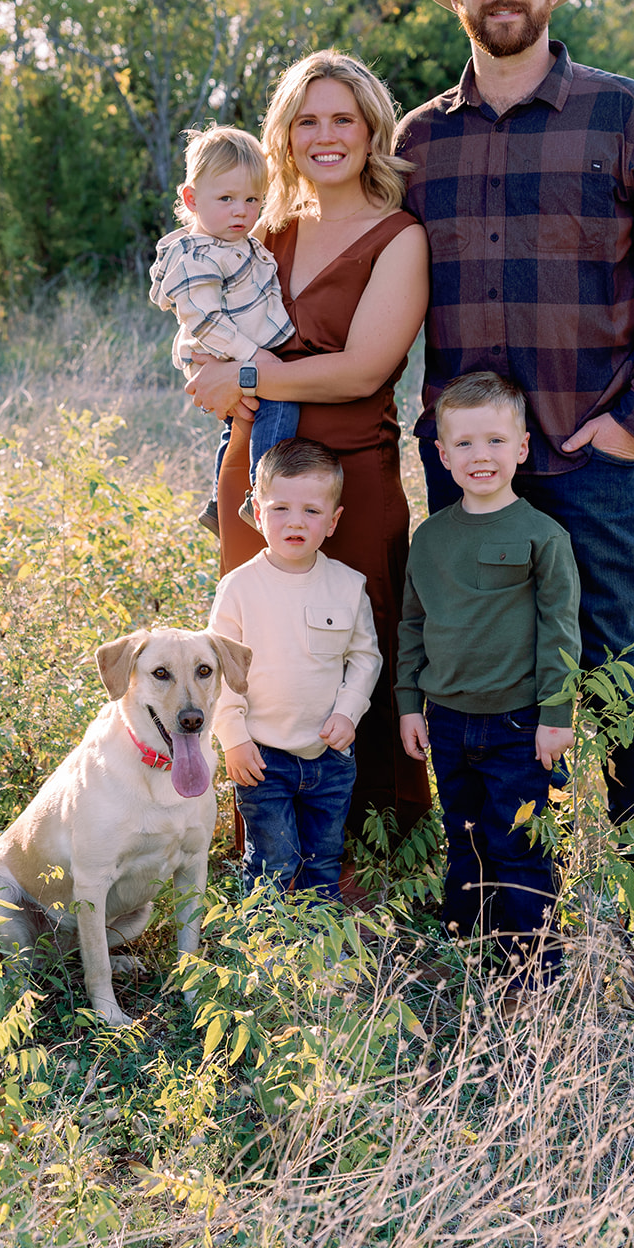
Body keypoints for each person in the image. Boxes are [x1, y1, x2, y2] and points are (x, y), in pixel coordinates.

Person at [394, 0, 634, 948]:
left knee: (620, 670)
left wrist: (633, 421)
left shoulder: (626, 116)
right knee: (479, 693)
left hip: (590, 461)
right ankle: (505, 914)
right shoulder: (417, 144)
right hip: (467, 475)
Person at [185, 50, 432, 836]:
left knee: (354, 643)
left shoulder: (399, 237)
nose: (326, 136)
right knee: (253, 646)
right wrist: (214, 371)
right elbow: (199, 325)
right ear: (284, 136)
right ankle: (264, 834)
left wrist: (248, 376)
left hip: (351, 480)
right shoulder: (261, 229)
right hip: (256, 469)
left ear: (371, 131)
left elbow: (362, 371)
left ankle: (363, 835)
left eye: (343, 119)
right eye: (307, 121)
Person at [398, 373, 581, 992]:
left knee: (517, 842)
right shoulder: (430, 539)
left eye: (496, 441)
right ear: (442, 455)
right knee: (464, 833)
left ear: (522, 448)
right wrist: (408, 705)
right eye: (466, 445)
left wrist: (556, 714)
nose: (482, 457)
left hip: (518, 724)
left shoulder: (542, 536)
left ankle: (535, 972)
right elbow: (413, 624)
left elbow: (560, 630)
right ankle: (466, 946)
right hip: (446, 720)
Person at [208, 438, 381, 900]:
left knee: (324, 857)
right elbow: (219, 669)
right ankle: (263, 953)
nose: (295, 522)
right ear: (258, 513)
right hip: (263, 756)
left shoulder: (347, 585)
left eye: (310, 510)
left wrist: (348, 712)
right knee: (272, 862)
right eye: (280, 508)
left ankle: (320, 949)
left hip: (329, 755)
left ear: (333, 520)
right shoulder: (239, 588)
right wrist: (234, 739)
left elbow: (365, 657)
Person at [149, 126, 298, 537]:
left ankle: (220, 501)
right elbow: (205, 320)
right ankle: (258, 495)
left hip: (241, 352)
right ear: (192, 200)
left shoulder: (235, 243)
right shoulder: (196, 256)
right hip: (229, 354)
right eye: (227, 199)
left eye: (252, 200)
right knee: (279, 406)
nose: (241, 211)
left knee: (237, 426)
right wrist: (255, 356)